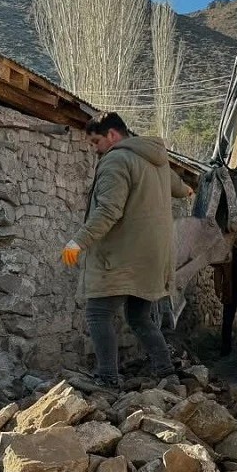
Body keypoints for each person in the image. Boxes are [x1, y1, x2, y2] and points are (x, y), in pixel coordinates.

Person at [62, 112, 190, 388]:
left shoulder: (116, 160)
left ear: (112, 135)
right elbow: (180, 188)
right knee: (139, 316)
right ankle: (166, 373)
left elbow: (108, 211)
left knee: (97, 313)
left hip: (122, 256)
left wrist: (77, 243)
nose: (94, 149)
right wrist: (190, 190)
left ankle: (107, 378)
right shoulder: (156, 160)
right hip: (153, 258)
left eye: (96, 141)